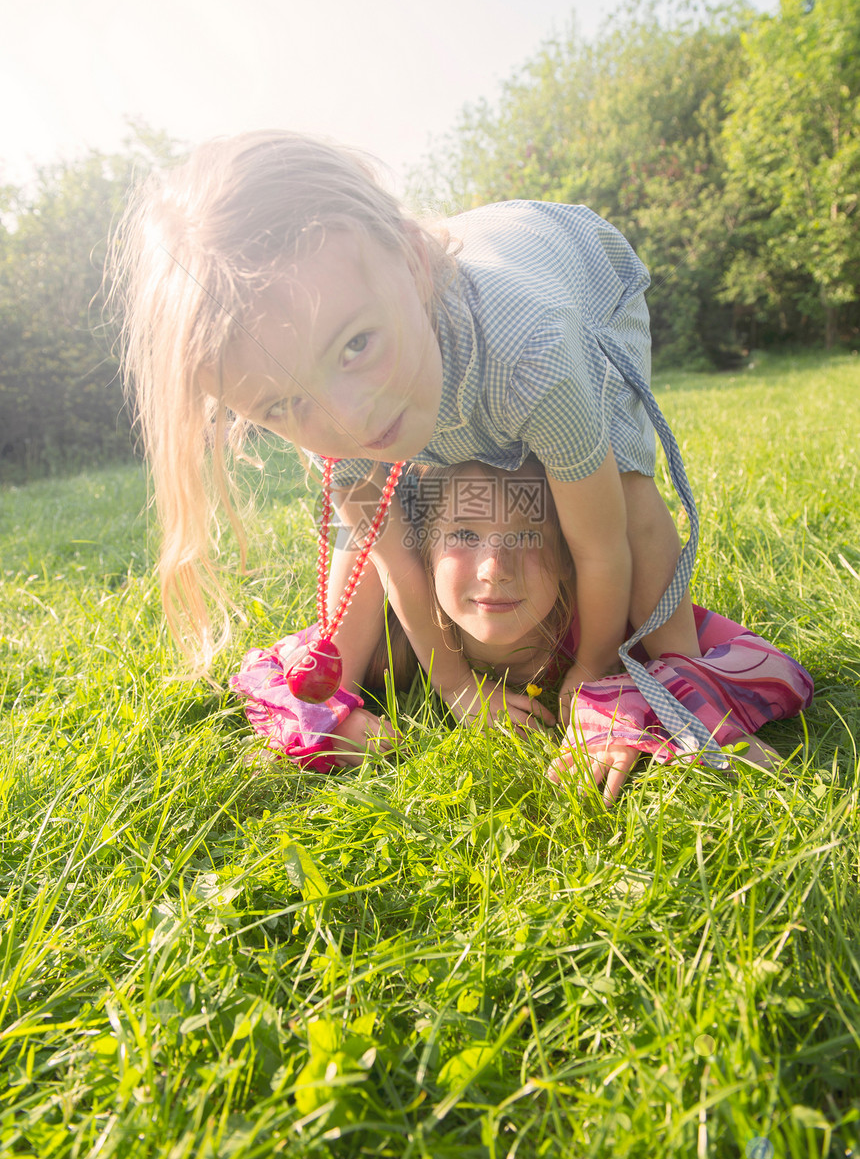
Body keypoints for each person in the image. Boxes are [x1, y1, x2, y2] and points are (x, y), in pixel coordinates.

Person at [110, 130, 735, 766]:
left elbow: (601, 546)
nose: (349, 420)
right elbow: (397, 562)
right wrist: (460, 689)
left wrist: (590, 676)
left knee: (621, 491)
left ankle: (683, 675)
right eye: (279, 407)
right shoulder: (313, 385)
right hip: (459, 336)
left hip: (581, 272)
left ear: (414, 264)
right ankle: (328, 695)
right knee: (365, 528)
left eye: (356, 344)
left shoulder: (538, 358)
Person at [232, 460, 814, 801]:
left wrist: (620, 702)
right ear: (421, 556)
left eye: (529, 537)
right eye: (462, 535)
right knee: (365, 533)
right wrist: (332, 717)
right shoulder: (396, 635)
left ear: (570, 557)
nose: (494, 568)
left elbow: (768, 662)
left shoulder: (600, 625)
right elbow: (268, 670)